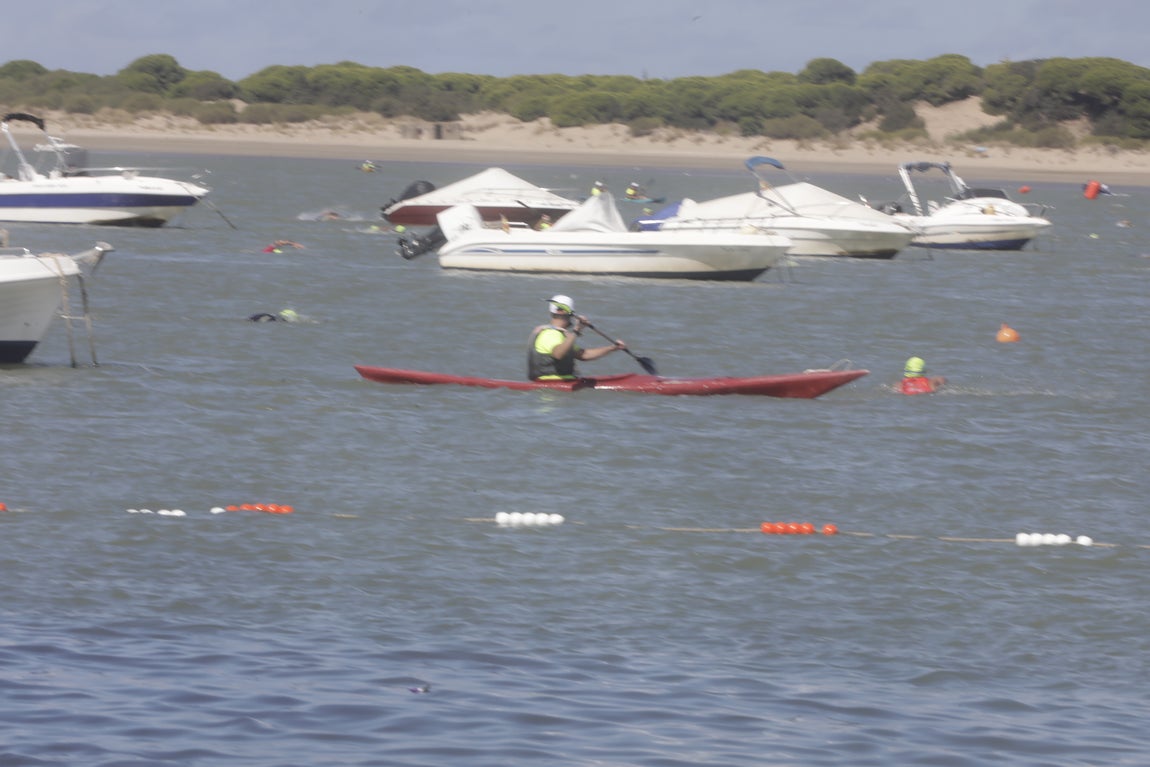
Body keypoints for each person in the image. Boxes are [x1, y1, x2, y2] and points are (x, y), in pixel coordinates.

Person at [527, 294, 626, 380]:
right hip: (553, 386)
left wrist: (612, 348)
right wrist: (576, 330)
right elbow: (558, 354)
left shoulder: (561, 336)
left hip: (566, 383)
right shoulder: (550, 334)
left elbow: (584, 355)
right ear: (563, 312)